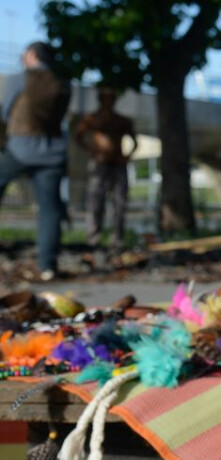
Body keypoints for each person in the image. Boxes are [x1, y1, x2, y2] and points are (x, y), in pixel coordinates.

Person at [0, 42, 71, 281]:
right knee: (50, 209)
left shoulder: (20, 79)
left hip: (20, 147)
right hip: (52, 152)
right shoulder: (62, 82)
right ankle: (47, 265)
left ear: (32, 55)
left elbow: (5, 111)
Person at [75, 86, 136, 250]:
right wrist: (92, 152)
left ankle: (118, 238)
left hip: (118, 163)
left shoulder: (122, 120)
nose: (109, 102)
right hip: (100, 164)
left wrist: (127, 155)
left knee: (120, 202)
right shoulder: (92, 119)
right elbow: (78, 137)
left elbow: (134, 142)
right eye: (105, 98)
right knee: (95, 201)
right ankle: (93, 238)